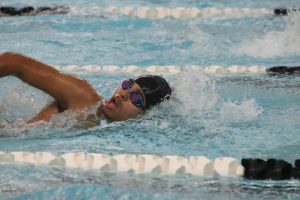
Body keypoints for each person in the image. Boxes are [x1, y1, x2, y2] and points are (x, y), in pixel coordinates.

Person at [0, 52, 172, 124]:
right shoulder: (84, 97)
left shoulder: (98, 122)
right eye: (127, 85)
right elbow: (16, 63)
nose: (123, 95)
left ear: (145, 114)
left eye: (136, 98)